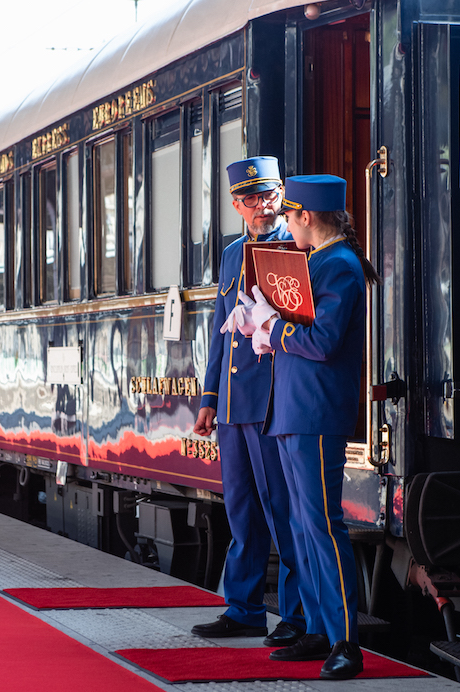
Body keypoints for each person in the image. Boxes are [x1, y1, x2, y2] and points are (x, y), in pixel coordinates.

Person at [244, 174, 381, 680]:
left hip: (315, 412)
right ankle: (321, 629)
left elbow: (322, 342)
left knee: (323, 527)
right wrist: (267, 327)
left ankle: (346, 640)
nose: (287, 227)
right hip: (296, 410)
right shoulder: (321, 262)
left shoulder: (337, 265)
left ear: (306, 216)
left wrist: (270, 327)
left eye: (290, 217)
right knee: (303, 529)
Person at [190, 156, 305, 648]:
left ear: (281, 193)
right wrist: (209, 398)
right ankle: (243, 609)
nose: (263, 206)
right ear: (236, 205)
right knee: (240, 511)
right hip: (235, 405)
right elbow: (220, 334)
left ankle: (298, 617)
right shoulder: (230, 253)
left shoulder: (296, 248)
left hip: (273, 400)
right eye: (251, 199)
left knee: (283, 511)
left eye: (269, 195)